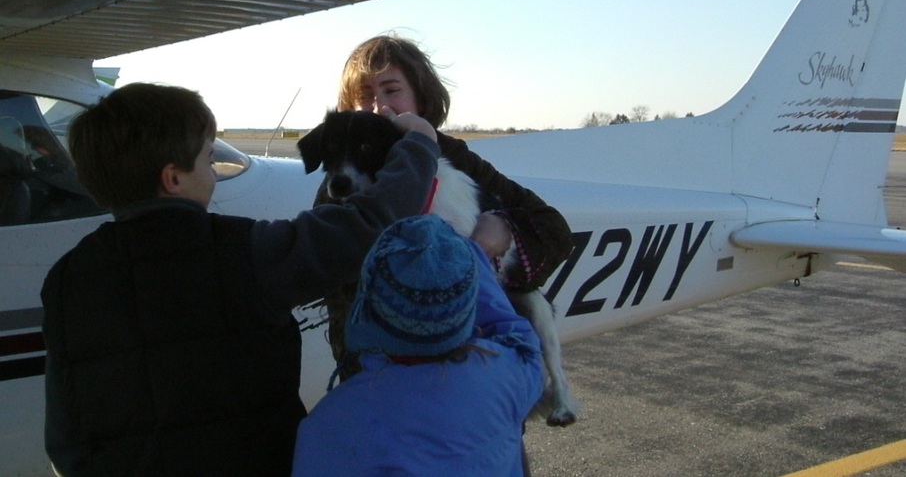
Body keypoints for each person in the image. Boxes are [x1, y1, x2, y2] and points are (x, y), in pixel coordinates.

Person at [40, 82, 440, 476]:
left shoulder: (64, 282)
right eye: (208, 159)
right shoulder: (247, 253)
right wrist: (419, 144)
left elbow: (65, 440)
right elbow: (370, 223)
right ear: (173, 179)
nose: (213, 171)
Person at [323, 34, 575, 380]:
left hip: (474, 372)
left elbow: (554, 230)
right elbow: (338, 288)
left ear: (421, 99)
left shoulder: (455, 158)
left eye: (391, 90)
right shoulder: (343, 180)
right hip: (382, 373)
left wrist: (502, 233)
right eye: (364, 96)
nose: (379, 107)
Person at [291, 214, 544, 476]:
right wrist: (474, 252)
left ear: (370, 308)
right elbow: (514, 331)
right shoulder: (512, 374)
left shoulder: (330, 424)